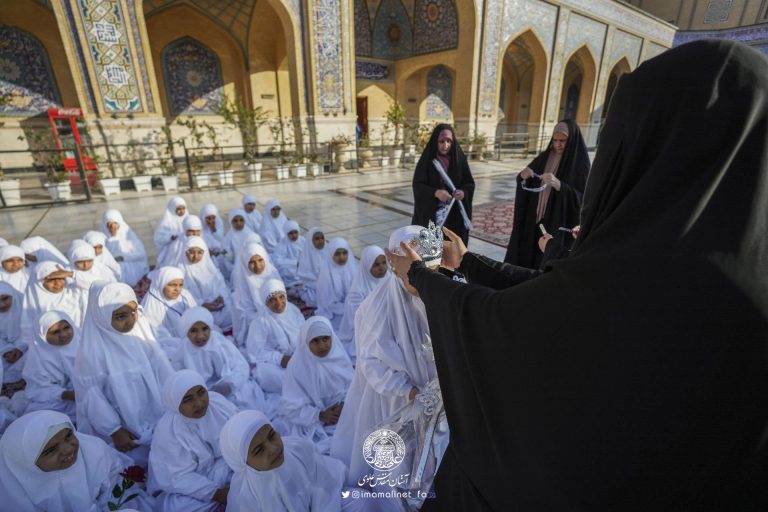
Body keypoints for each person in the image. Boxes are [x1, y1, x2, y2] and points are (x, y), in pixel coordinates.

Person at [387, 40, 768, 510]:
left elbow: (513, 321)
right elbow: (556, 293)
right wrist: (467, 262)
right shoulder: (711, 265)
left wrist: (423, 280)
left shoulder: (633, 274)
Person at [331, 225, 442, 489]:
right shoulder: (374, 308)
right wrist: (409, 391)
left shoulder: (436, 293)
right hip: (397, 400)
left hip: (437, 393)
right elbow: (371, 363)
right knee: (400, 457)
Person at [74, 282, 173, 466]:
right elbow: (91, 397)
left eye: (133, 312)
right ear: (101, 316)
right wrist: (114, 429)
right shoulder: (92, 352)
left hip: (155, 410)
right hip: (122, 424)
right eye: (120, 316)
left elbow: (160, 367)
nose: (130, 320)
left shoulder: (140, 331)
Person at [0, 410, 156, 512]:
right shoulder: (14, 491)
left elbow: (114, 484)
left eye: (68, 435)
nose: (68, 449)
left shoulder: (93, 451)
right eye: (50, 450)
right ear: (25, 464)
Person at [218, 409, 347, 512]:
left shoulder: (298, 448)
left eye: (272, 435)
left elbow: (325, 484)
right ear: (243, 463)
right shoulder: (244, 498)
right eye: (258, 450)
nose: (273, 449)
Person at [503, 119, 590, 267]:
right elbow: (526, 179)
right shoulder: (545, 156)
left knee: (547, 258)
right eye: (555, 140)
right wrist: (523, 176)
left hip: (557, 219)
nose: (558, 145)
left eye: (563, 141)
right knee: (529, 253)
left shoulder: (580, 164)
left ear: (572, 140)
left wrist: (560, 185)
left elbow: (584, 199)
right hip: (536, 217)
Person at [149, 369, 236, 512]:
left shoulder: (217, 404)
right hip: (194, 480)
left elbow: (237, 434)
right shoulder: (168, 432)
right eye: (188, 399)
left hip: (225, 463)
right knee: (177, 507)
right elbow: (176, 477)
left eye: (201, 392)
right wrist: (215, 493)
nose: (199, 403)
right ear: (174, 403)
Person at [280, 316, 353, 455]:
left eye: (326, 339)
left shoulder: (339, 357)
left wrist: (344, 404)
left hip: (344, 412)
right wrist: (320, 415)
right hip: (314, 421)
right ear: (306, 342)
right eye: (315, 341)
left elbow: (353, 387)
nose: (322, 346)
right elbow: (290, 407)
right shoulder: (297, 367)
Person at [179, 307, 271, 414]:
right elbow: (180, 379)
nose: (200, 335)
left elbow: (241, 366)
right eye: (193, 330)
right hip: (201, 395)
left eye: (205, 329)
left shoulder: (218, 341)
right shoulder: (183, 350)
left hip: (230, 384)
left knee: (247, 403)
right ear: (186, 331)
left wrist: (229, 385)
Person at [411, 124, 475, 245]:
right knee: (432, 250)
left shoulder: (459, 159)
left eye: (449, 141)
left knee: (451, 249)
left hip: (454, 215)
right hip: (433, 215)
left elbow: (469, 183)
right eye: (441, 141)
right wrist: (435, 193)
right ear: (435, 141)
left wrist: (463, 193)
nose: (445, 145)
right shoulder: (428, 160)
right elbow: (418, 185)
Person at [245, 279, 304, 394]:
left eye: (281, 297)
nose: (278, 303)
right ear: (265, 303)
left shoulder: (293, 310)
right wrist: (280, 358)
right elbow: (255, 352)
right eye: (272, 300)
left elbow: (304, 333)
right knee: (267, 373)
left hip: (297, 355)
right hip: (275, 362)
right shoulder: (260, 322)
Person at [22, 310, 79, 421]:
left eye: (66, 328)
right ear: (42, 335)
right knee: (38, 414)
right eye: (55, 332)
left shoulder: (82, 342)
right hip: (61, 398)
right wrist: (68, 394)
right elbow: (39, 388)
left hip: (87, 392)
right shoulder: (37, 357)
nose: (63, 335)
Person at [338, 245, 387, 358]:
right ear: (367, 266)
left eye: (384, 263)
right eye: (376, 264)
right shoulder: (357, 291)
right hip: (367, 330)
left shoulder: (388, 279)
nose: (382, 267)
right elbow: (355, 319)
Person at [179, 236, 233, 333]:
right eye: (191, 252)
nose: (195, 256)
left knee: (233, 311)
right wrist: (202, 305)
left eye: (199, 252)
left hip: (216, 306)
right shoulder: (180, 272)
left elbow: (222, 286)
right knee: (199, 321)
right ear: (185, 252)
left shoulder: (211, 268)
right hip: (196, 308)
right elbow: (183, 296)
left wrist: (221, 297)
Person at [231, 242, 281, 345]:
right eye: (252, 262)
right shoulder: (242, 282)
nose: (257, 266)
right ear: (245, 263)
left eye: (260, 260)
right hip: (256, 320)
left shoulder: (272, 272)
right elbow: (246, 313)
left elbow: (282, 297)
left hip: (276, 311)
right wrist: (267, 317)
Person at [141, 266, 198, 345]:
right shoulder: (152, 306)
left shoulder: (185, 296)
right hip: (171, 343)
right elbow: (160, 336)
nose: (177, 289)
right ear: (161, 284)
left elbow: (197, 316)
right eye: (172, 285)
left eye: (180, 285)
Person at [316, 237, 357, 331]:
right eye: (337, 254)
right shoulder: (326, 274)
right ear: (331, 255)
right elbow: (327, 303)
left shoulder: (352, 268)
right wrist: (347, 309)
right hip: (335, 312)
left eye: (344, 253)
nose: (342, 257)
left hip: (351, 307)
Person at [102, 208, 150, 287]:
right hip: (114, 264)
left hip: (132, 263)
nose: (112, 227)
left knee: (123, 268)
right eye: (109, 224)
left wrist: (124, 258)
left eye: (115, 223)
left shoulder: (129, 236)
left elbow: (141, 254)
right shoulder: (102, 237)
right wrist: (113, 237)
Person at [296, 226, 327, 308]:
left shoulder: (328, 251)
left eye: (322, 238)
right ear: (311, 241)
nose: (320, 241)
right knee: (318, 298)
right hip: (313, 283)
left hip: (328, 280)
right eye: (317, 239)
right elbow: (304, 274)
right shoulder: (306, 255)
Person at [199, 203, 231, 279]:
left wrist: (213, 229)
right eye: (208, 218)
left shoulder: (219, 223)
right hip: (207, 253)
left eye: (213, 218)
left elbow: (220, 238)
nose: (211, 221)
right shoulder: (200, 227)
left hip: (219, 251)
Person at [154, 197, 188, 267]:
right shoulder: (166, 221)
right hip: (172, 249)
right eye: (178, 209)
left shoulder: (187, 218)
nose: (181, 211)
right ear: (173, 208)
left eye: (183, 208)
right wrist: (170, 237)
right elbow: (158, 238)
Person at [273, 220, 304, 290]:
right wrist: (294, 263)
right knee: (284, 269)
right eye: (291, 233)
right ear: (286, 233)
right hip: (291, 267)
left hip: (303, 265)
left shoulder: (303, 241)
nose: (294, 235)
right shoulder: (282, 244)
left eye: (296, 232)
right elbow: (277, 261)